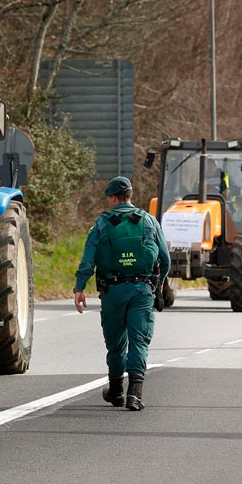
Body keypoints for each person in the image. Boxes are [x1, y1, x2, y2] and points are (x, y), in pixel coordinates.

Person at [74, 176, 169, 411]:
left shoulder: (101, 224)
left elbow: (88, 259)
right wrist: (159, 284)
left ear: (113, 198)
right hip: (142, 289)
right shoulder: (149, 221)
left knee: (116, 343)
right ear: (131, 195)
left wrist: (80, 287)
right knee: (139, 340)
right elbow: (165, 259)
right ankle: (134, 394)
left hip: (112, 290)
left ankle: (116, 391)